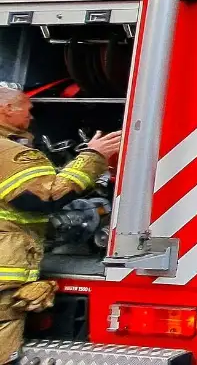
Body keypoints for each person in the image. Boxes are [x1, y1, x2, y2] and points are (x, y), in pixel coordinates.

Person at [0, 85, 122, 364]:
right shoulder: (10, 154)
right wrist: (94, 156)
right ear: (7, 110)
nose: (32, 118)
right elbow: (46, 197)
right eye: (28, 110)